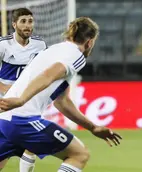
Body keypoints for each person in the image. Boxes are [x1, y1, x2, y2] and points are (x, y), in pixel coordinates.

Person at [0, 16, 122, 172]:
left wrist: (93, 128)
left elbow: (62, 102)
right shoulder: (76, 55)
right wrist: (21, 100)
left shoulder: (54, 50)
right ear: (89, 42)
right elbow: (49, 74)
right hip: (22, 119)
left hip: (4, 120)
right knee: (80, 155)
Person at [0, 8, 47, 172]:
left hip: (26, 101)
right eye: (23, 21)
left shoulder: (40, 45)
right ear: (14, 24)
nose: (28, 25)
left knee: (31, 143)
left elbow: (43, 72)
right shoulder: (3, 45)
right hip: (4, 102)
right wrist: (6, 88)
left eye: (30, 21)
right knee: (4, 149)